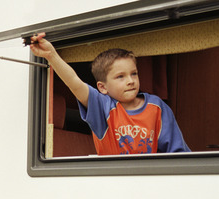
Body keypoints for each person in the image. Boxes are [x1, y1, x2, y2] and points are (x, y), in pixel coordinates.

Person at [28, 32, 189, 155]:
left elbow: (177, 152)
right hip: (111, 182)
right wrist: (52, 56)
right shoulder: (103, 107)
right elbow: (75, 83)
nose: (130, 81)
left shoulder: (157, 106)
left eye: (134, 73)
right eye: (120, 76)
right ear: (103, 87)